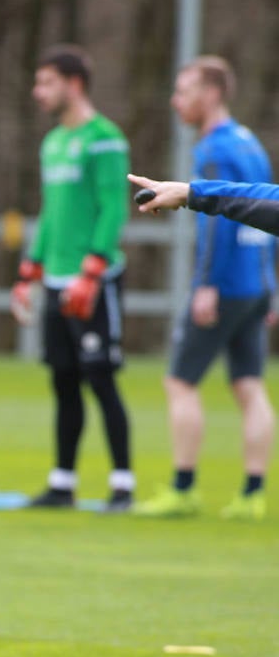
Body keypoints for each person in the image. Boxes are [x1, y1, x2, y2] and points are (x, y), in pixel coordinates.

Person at [133, 57, 275, 521]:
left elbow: (221, 226)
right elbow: (267, 206)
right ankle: (253, 495)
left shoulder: (212, 147)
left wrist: (206, 285)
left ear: (211, 93)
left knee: (179, 382)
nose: (176, 101)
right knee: (249, 385)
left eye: (184, 90)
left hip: (227, 284)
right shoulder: (249, 140)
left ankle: (183, 487)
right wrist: (272, 283)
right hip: (257, 284)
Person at [12, 44, 135, 512]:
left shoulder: (105, 138)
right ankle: (62, 482)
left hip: (94, 282)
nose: (38, 91)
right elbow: (50, 215)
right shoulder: (53, 142)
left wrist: (93, 270)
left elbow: (113, 207)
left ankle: (123, 484)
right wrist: (29, 271)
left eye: (46, 82)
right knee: (63, 379)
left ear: (74, 83)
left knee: (101, 378)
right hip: (57, 280)